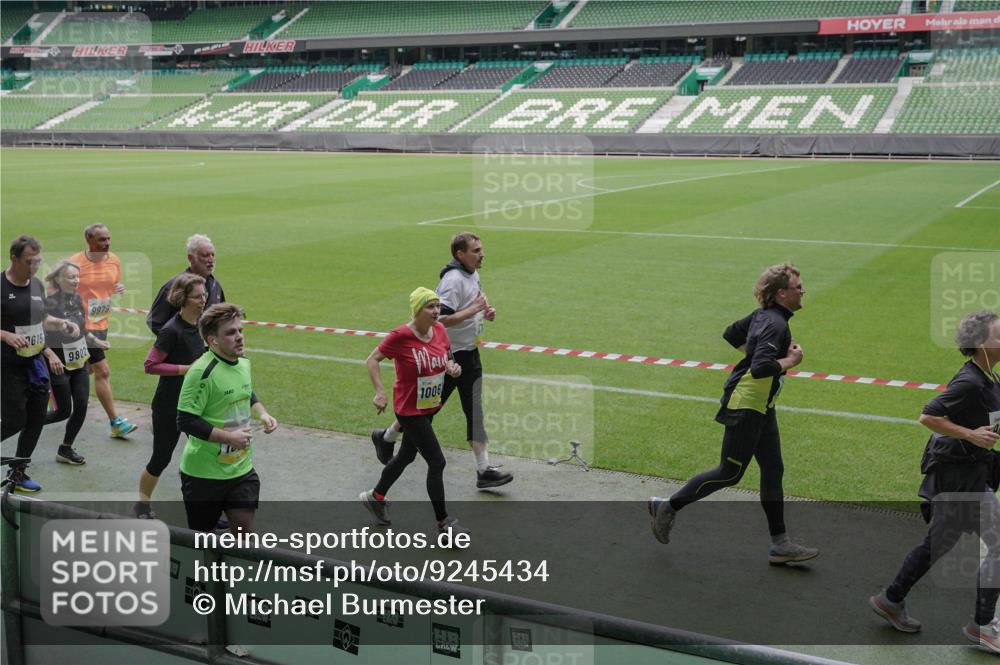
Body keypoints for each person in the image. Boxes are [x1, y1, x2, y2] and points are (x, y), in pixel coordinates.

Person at [649, 263, 819, 564]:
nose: (803, 291)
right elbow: (761, 367)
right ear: (782, 293)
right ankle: (668, 506)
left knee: (773, 470)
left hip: (762, 405)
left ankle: (780, 544)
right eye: (798, 287)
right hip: (746, 405)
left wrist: (757, 354)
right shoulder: (775, 324)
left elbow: (732, 333)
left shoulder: (764, 316)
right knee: (729, 473)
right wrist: (791, 361)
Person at [870, 310, 1000, 654]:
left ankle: (891, 599)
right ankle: (982, 625)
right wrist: (970, 434)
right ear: (980, 344)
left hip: (968, 475)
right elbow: (928, 415)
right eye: (999, 336)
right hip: (959, 479)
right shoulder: (970, 381)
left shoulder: (989, 377)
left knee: (939, 543)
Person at [372, 233, 513, 490]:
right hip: (447, 358)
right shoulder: (453, 280)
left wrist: (484, 312)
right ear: (460, 254)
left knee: (473, 411)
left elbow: (470, 305)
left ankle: (483, 470)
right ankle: (388, 440)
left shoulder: (471, 274)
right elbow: (440, 320)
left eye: (481, 249)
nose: (482, 254)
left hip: (469, 354)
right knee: (426, 411)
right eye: (476, 250)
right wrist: (473, 311)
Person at [361, 287, 468, 536]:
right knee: (437, 461)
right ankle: (444, 523)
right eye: (430, 307)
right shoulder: (400, 336)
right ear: (417, 310)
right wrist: (380, 392)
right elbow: (372, 360)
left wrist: (452, 367)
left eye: (437, 306)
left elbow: (447, 357)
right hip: (409, 411)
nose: (436, 311)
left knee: (406, 456)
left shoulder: (439, 330)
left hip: (429, 406)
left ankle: (376, 496)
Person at [176, 303, 277, 533]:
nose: (239, 337)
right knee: (204, 540)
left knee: (243, 536)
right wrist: (229, 438)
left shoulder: (243, 363)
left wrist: (262, 413)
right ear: (213, 341)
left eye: (240, 330)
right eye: (231, 333)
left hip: (241, 469)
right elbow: (185, 420)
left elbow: (245, 391)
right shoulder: (201, 372)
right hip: (203, 475)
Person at [2, 236, 80, 492]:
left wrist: (61, 323)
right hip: (7, 366)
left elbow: (42, 318)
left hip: (35, 364)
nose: (34, 267)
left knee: (36, 418)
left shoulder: (36, 285)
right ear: (14, 258)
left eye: (38, 261)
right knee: (15, 419)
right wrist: (5, 335)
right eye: (29, 262)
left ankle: (18, 472)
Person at [134, 273, 208, 519]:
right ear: (183, 299)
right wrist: (186, 369)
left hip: (195, 403)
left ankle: (208, 510)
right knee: (161, 458)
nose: (203, 300)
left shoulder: (201, 325)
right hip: (169, 406)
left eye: (204, 295)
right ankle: (141, 506)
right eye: (197, 296)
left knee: (206, 453)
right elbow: (150, 365)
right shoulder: (171, 330)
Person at [68, 223, 137, 438]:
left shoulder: (114, 260)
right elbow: (58, 291)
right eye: (101, 239)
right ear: (89, 240)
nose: (107, 243)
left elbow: (110, 284)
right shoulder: (74, 263)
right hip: (81, 326)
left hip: (101, 323)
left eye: (108, 238)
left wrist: (118, 287)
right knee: (102, 370)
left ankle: (52, 392)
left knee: (85, 368)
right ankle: (116, 422)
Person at [42, 260, 108, 465]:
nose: (76, 280)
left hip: (79, 363)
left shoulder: (77, 298)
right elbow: (37, 335)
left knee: (81, 405)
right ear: (58, 279)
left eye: (77, 276)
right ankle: (26, 423)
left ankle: (66, 448)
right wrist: (50, 355)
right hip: (58, 365)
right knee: (63, 411)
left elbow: (82, 330)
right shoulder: (48, 304)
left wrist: (97, 342)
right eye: (71, 277)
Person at [147, 234, 225, 336]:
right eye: (205, 255)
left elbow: (222, 319)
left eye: (213, 255)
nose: (211, 260)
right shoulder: (175, 286)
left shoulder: (216, 286)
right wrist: (178, 340)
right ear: (191, 258)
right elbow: (154, 321)